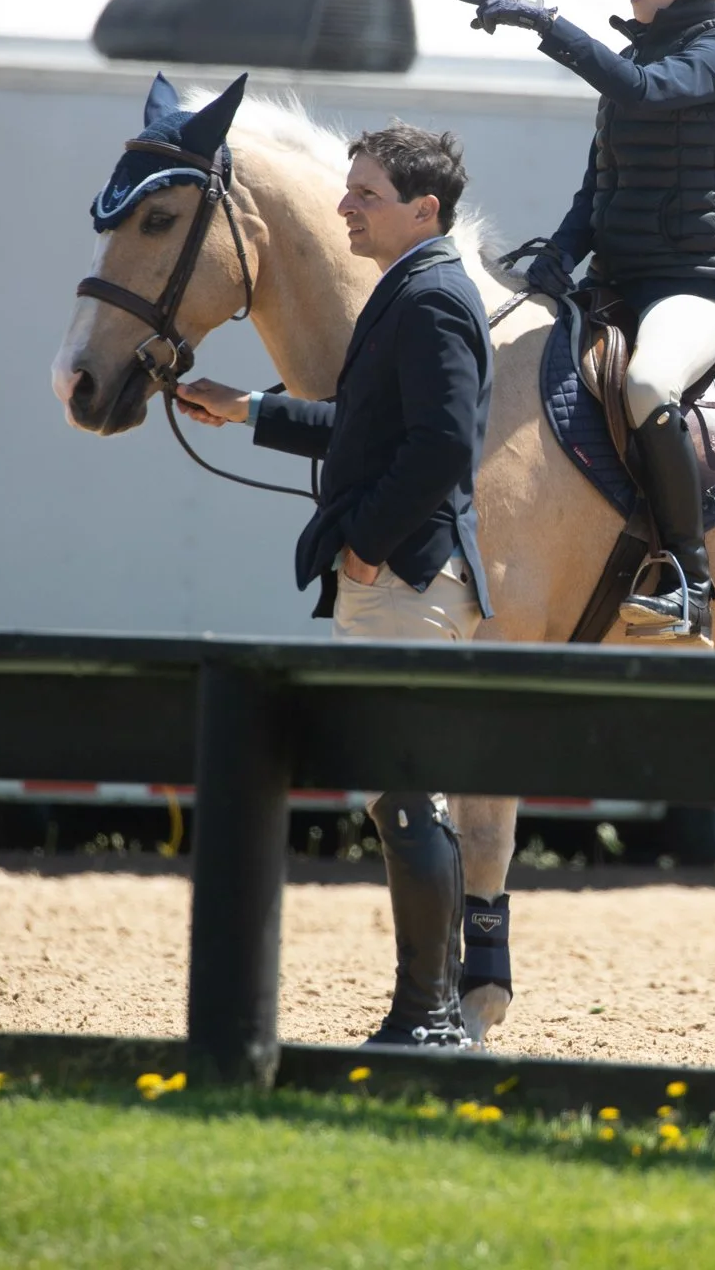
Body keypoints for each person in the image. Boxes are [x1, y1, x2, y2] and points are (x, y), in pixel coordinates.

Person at [175, 123, 491, 1049]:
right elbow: (362, 426)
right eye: (349, 189)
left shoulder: (429, 296)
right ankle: (427, 1008)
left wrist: (364, 541)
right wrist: (251, 411)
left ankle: (430, 1014)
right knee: (398, 795)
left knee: (405, 796)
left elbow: (440, 447)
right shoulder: (413, 286)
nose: (346, 205)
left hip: (407, 574)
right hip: (402, 572)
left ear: (424, 211)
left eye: (366, 194)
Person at [446, 0, 715, 647]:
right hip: (617, 281)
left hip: (697, 285)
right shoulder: (634, 53)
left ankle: (692, 583)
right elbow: (601, 185)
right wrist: (558, 256)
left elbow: (648, 95)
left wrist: (550, 27)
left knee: (651, 382)